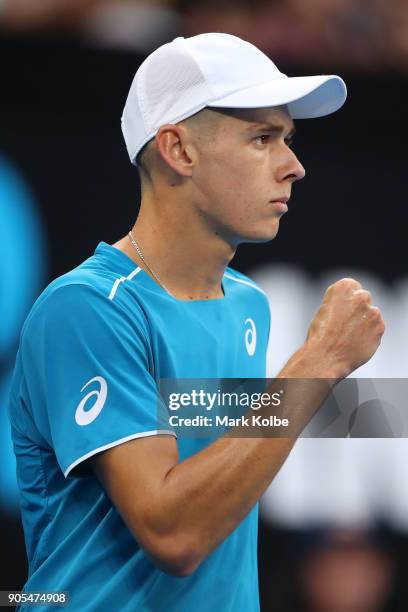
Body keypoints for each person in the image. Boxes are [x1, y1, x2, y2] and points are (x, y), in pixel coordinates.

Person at [8, 33, 385, 611]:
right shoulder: (88, 308)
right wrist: (319, 362)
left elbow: (209, 421)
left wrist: (372, 404)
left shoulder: (247, 304)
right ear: (178, 150)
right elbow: (173, 533)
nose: (295, 167)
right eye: (263, 138)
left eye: (288, 139)